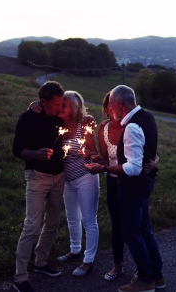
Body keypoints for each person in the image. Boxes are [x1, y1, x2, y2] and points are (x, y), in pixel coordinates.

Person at [86, 85, 165, 292]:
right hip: (146, 183)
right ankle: (157, 277)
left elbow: (132, 167)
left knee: (132, 233)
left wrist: (103, 168)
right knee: (145, 229)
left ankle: (145, 281)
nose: (109, 110)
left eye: (110, 105)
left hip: (132, 187)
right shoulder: (147, 116)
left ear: (119, 104)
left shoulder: (131, 126)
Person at [11, 81, 66, 292]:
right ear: (42, 102)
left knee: (52, 222)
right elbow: (17, 149)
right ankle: (20, 277)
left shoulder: (60, 115)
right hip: (37, 176)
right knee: (32, 225)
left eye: (61, 105)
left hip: (59, 176)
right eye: (55, 105)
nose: (59, 109)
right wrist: (36, 154)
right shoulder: (29, 117)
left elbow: (76, 111)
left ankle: (41, 262)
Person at [54, 91, 100, 277]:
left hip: (85, 177)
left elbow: (94, 152)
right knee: (72, 217)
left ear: (73, 109)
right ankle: (75, 250)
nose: (60, 108)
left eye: (64, 105)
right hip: (66, 179)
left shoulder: (85, 125)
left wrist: (88, 155)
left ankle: (88, 261)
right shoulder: (57, 125)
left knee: (88, 220)